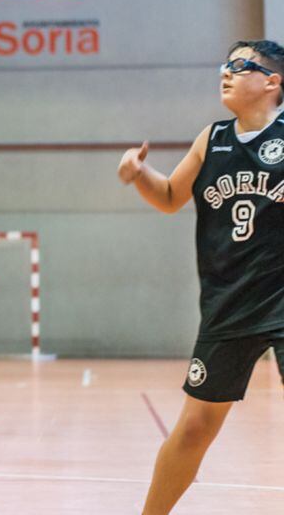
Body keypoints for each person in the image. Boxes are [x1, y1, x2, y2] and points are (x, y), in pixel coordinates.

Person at [117, 40, 284, 515]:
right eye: (224, 66)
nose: (226, 73)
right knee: (194, 428)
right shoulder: (212, 139)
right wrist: (140, 173)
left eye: (239, 66)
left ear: (272, 81)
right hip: (229, 301)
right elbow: (170, 196)